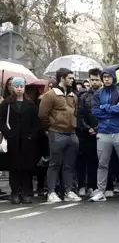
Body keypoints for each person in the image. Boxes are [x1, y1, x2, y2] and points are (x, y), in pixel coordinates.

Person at [88, 68, 119, 202]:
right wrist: (113, 109)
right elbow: (95, 111)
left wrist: (105, 107)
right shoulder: (98, 93)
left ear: (114, 78)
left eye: (109, 77)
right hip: (104, 132)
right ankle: (100, 191)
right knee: (102, 164)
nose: (106, 79)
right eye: (104, 77)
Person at [38, 67, 82, 203]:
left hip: (71, 133)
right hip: (56, 132)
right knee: (54, 164)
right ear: (62, 78)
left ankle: (68, 191)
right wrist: (49, 128)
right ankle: (51, 192)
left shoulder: (73, 95)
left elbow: (76, 113)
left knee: (69, 165)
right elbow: (42, 114)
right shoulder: (50, 95)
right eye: (69, 77)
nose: (72, 80)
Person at [0, 77, 39, 204]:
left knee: (27, 167)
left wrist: (31, 135)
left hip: (27, 140)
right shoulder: (7, 103)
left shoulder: (31, 104)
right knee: (14, 167)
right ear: (12, 88)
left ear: (24, 88)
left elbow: (35, 122)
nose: (19, 89)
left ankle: (26, 192)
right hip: (13, 140)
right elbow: (1, 120)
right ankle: (15, 192)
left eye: (21, 86)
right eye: (16, 86)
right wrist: (8, 133)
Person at [76, 68, 101, 197]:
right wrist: (88, 128)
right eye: (92, 79)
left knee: (98, 161)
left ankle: (96, 185)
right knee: (86, 160)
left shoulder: (105, 95)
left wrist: (97, 128)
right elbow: (80, 114)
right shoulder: (83, 96)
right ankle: (85, 185)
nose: (94, 82)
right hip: (86, 133)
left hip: (101, 131)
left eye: (97, 79)